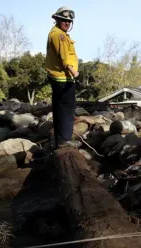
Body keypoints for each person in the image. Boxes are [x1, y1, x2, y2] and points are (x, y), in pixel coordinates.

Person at [45, 6, 81, 148]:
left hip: (60, 77)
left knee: (60, 109)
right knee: (66, 110)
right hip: (63, 78)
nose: (67, 23)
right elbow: (64, 58)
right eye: (64, 20)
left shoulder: (57, 33)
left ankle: (60, 142)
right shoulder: (58, 35)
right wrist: (75, 74)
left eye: (69, 21)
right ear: (58, 19)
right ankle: (65, 142)